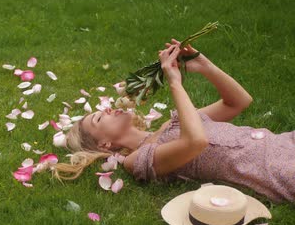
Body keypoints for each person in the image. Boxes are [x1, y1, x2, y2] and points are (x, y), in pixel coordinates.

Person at [54, 39, 294, 203]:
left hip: (285, 142)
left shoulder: (172, 123)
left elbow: (238, 102)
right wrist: (174, 82)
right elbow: (195, 142)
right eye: (99, 117)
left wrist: (205, 66)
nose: (107, 108)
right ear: (104, 144)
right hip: (274, 172)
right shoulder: (137, 160)